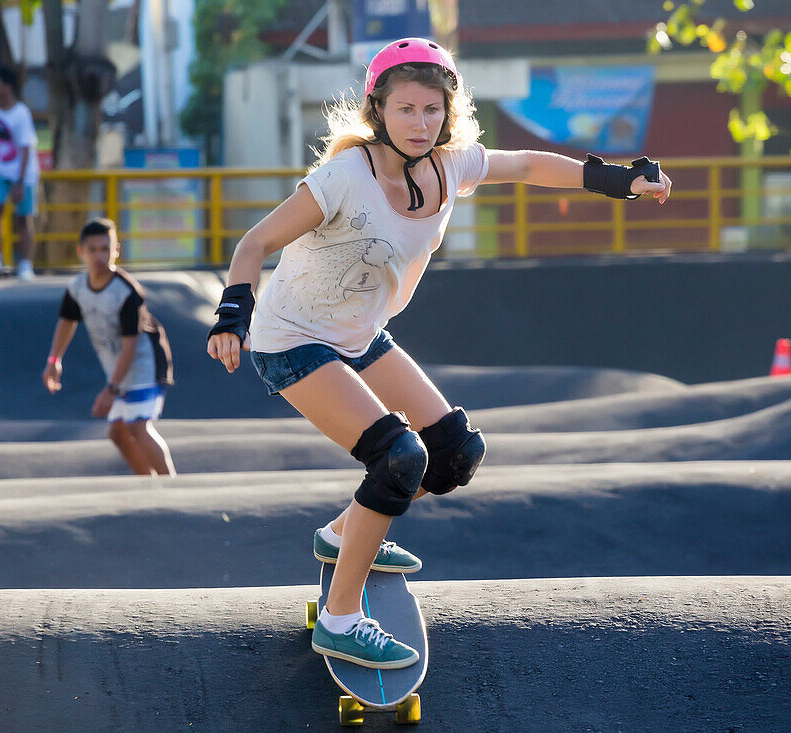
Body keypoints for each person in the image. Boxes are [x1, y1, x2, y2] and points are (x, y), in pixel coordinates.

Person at [206, 38, 672, 670]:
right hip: (291, 339)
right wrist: (233, 314)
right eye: (405, 110)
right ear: (378, 112)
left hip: (362, 333)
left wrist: (618, 179)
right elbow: (254, 243)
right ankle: (340, 619)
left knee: (454, 453)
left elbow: (530, 165)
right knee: (399, 458)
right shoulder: (343, 177)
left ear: (448, 113)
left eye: (432, 110)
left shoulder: (452, 165)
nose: (421, 124)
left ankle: (342, 535)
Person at [43, 218, 176, 476]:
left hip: (145, 364)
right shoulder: (77, 288)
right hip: (119, 369)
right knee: (117, 433)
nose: (99, 256)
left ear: (116, 250)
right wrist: (54, 360)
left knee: (138, 426)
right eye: (92, 250)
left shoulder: (126, 292)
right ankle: (148, 486)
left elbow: (131, 344)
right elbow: (67, 321)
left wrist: (112, 389)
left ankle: (170, 486)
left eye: (105, 249)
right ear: (81, 252)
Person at [0, 65, 39, 281]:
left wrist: (20, 183)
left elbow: (26, 149)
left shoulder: (21, 113)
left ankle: (25, 264)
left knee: (24, 217)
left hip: (23, 172)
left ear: (7, 86)